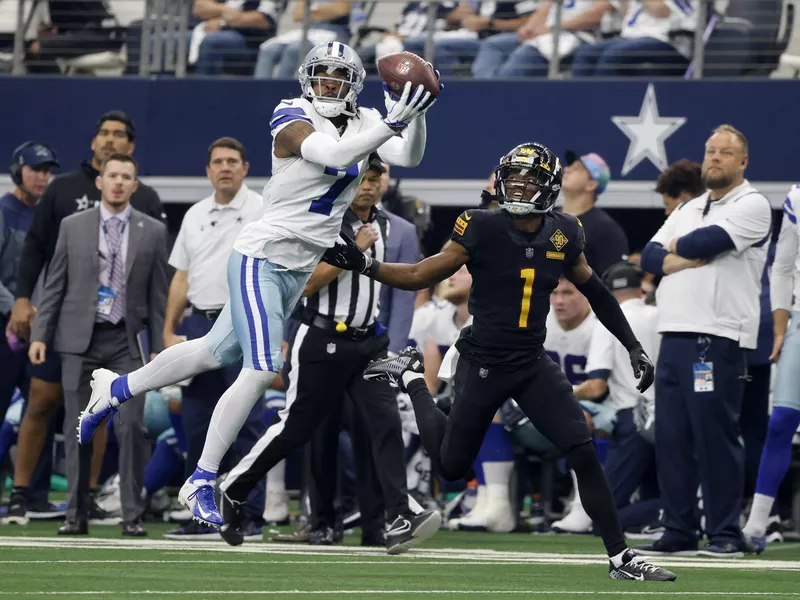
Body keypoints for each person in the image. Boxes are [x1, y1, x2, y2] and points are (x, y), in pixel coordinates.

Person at [77, 42, 439, 534]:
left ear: (353, 84)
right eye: (320, 75)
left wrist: (414, 111)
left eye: (337, 77)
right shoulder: (292, 113)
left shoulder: (367, 120)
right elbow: (331, 156)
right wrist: (393, 118)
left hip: (297, 265)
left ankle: (114, 387)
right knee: (263, 366)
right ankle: (202, 479)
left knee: (210, 351)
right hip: (261, 255)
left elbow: (409, 155)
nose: (327, 85)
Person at [324, 141, 676, 582]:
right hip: (483, 360)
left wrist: (631, 344)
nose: (518, 187)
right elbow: (421, 274)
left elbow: (597, 292)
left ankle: (621, 557)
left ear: (548, 187)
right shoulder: (480, 226)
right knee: (451, 468)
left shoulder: (566, 230)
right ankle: (413, 377)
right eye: (512, 179)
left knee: (581, 450)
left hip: (531, 361)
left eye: (528, 181)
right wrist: (364, 264)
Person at [224, 156, 439, 551]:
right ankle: (234, 487)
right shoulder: (320, 220)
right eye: (363, 178)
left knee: (385, 424)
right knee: (298, 427)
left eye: (376, 178)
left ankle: (398, 516)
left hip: (370, 342)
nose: (369, 186)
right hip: (323, 336)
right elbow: (302, 285)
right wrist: (354, 252)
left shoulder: (392, 226)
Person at [5, 111, 164, 526]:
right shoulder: (70, 216)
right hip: (76, 334)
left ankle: (131, 513)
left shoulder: (150, 220)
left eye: (125, 176)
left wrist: (162, 349)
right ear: (99, 178)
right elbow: (51, 277)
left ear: (134, 180)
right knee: (70, 418)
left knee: (129, 425)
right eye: (111, 176)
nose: (117, 182)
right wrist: (36, 323)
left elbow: (159, 292)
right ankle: (62, 508)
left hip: (127, 339)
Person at [638, 124, 771, 557]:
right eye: (711, 151)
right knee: (671, 437)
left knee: (714, 437)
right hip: (673, 335)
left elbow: (708, 241)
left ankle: (725, 532)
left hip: (715, 338)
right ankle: (679, 529)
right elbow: (652, 255)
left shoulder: (753, 205)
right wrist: (683, 255)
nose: (715, 158)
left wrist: (679, 251)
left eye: (725, 152)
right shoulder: (690, 206)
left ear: (742, 161)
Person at [160, 137, 268, 540]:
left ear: (245, 167)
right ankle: (201, 514)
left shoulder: (262, 208)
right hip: (198, 324)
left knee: (247, 424)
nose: (224, 167)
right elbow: (182, 276)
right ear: (208, 171)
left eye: (232, 161)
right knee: (196, 424)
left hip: (245, 320)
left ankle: (249, 514)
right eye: (217, 162)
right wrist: (170, 329)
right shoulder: (193, 215)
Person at [569, 261, 662, 536]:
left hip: (635, 417)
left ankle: (685, 508)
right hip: (671, 413)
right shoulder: (661, 315)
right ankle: (673, 513)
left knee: (603, 516)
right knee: (653, 487)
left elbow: (596, 386)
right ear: (640, 289)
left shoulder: (609, 319)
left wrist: (555, 393)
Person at [0, 141, 60, 525]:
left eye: (46, 169)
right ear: (17, 169)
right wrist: (16, 309)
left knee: (43, 408)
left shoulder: (52, 216)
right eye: (35, 168)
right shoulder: (3, 211)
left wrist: (43, 314)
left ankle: (34, 497)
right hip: (6, 325)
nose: (41, 176)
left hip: (42, 327)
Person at [741, 184, 800, 553]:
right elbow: (781, 266)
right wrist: (780, 328)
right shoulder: (797, 197)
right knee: (780, 422)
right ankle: (757, 523)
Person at [560, 151, 628, 277]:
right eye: (569, 166)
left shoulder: (605, 229)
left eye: (577, 169)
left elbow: (614, 279)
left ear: (591, 184)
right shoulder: (547, 219)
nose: (566, 169)